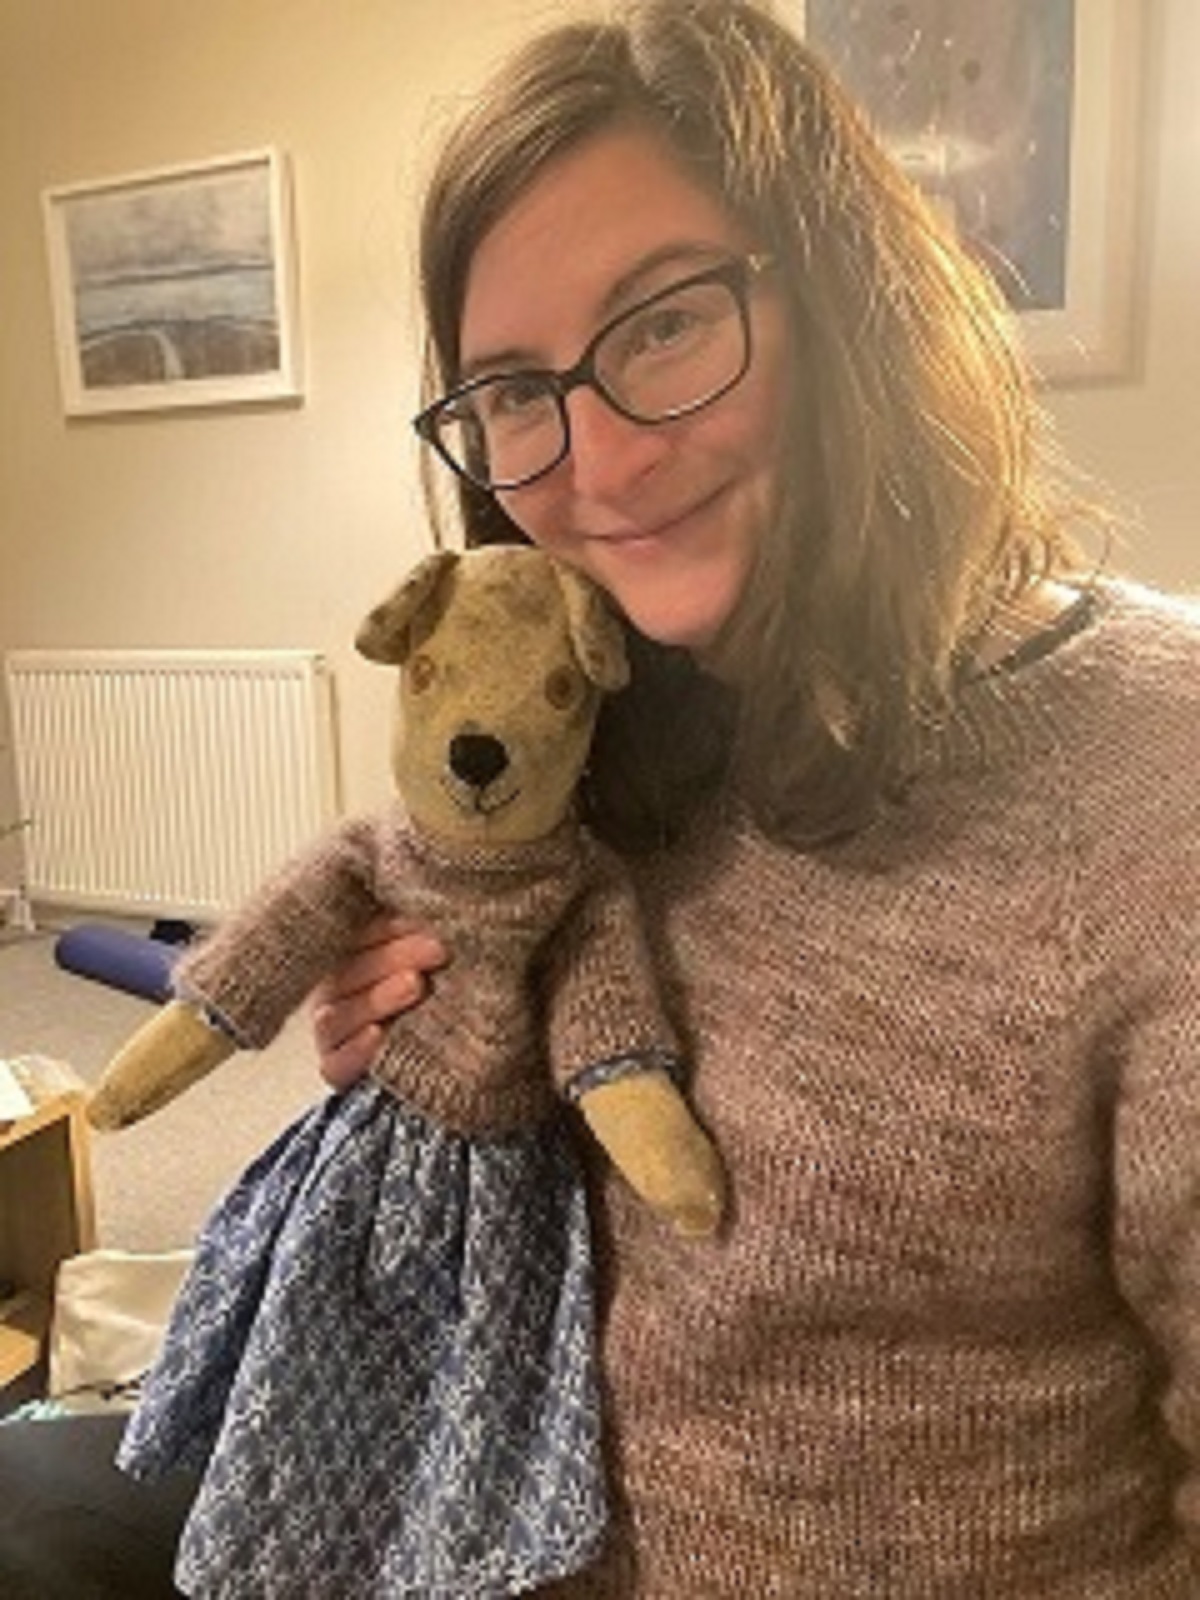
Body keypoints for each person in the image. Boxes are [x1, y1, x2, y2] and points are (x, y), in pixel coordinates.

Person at [309, 0, 1200, 1595]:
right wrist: (432, 1075)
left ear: (847, 302)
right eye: (511, 389)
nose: (595, 464)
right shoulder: (580, 736)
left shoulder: (1156, 773)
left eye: (661, 323)